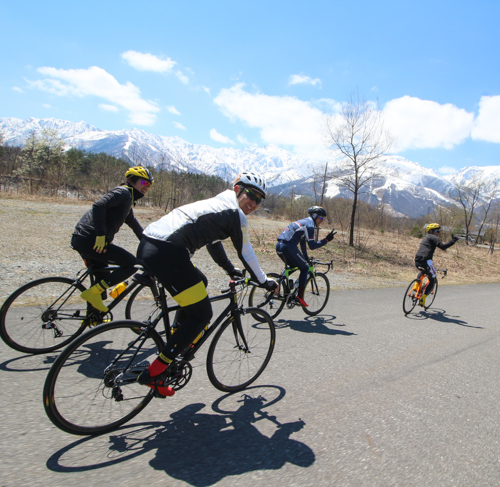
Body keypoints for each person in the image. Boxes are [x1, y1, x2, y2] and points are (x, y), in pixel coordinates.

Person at [136, 172, 278, 397]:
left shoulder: (218, 204)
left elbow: (214, 243)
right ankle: (154, 373)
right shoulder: (233, 213)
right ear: (237, 190)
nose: (253, 203)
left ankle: (177, 335)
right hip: (167, 252)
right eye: (251, 195)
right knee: (201, 315)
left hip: (150, 244)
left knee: (200, 281)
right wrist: (264, 281)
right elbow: (245, 251)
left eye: (259, 200)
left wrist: (230, 270)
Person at [71, 166, 153, 313]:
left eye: (149, 185)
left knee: (103, 277)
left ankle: (93, 316)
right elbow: (98, 205)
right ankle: (92, 295)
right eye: (144, 182)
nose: (146, 187)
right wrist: (101, 235)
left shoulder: (128, 202)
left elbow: (136, 227)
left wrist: (151, 244)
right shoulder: (123, 193)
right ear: (131, 180)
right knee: (131, 264)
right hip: (90, 239)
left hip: (83, 238)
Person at [275, 206, 336, 308]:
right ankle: (299, 297)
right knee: (305, 268)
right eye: (320, 218)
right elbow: (312, 246)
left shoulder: (304, 222)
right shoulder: (310, 226)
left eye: (323, 219)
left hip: (279, 245)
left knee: (296, 265)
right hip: (289, 246)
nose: (321, 221)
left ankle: (278, 282)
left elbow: (303, 242)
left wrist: (306, 257)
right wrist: (326, 240)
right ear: (314, 216)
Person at [413, 223, 459, 307]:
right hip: (427, 260)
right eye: (437, 231)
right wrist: (453, 241)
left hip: (417, 259)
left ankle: (416, 285)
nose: (439, 233)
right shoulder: (433, 237)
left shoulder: (426, 238)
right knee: (433, 280)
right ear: (431, 231)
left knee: (423, 271)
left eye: (439, 231)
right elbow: (443, 247)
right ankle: (423, 298)